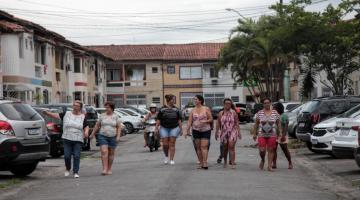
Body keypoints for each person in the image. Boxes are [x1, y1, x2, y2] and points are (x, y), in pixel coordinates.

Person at [43, 100, 89, 178]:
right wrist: (48, 113)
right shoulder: (67, 114)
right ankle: (68, 168)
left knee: (77, 156)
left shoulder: (83, 116)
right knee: (67, 156)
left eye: (77, 106)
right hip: (67, 138)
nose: (75, 107)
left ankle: (75, 172)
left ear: (80, 108)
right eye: (74, 105)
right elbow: (56, 115)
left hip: (78, 139)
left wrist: (86, 132)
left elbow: (86, 126)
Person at [90, 102, 122, 175]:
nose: (106, 109)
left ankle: (109, 169)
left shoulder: (116, 116)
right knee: (104, 152)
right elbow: (97, 125)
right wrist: (92, 134)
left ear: (112, 108)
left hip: (112, 136)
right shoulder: (102, 116)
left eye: (108, 107)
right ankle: (104, 169)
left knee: (111, 153)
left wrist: (118, 136)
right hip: (102, 136)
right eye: (106, 107)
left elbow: (119, 127)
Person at [253, 98, 281, 172]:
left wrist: (280, 132)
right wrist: (254, 134)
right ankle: (263, 160)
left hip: (272, 134)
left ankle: (269, 166)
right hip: (261, 134)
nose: (267, 104)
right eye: (265, 103)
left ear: (270, 103)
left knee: (271, 150)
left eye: (268, 103)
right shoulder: (259, 113)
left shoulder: (275, 112)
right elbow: (256, 124)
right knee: (262, 150)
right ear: (263, 104)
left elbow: (278, 123)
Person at [185, 95, 213, 169]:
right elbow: (189, 121)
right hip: (196, 130)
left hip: (206, 130)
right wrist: (186, 130)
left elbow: (211, 119)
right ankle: (200, 163)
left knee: (204, 146)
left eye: (196, 99)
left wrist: (205, 121)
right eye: (194, 99)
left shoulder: (206, 108)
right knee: (198, 147)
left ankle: (205, 163)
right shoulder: (193, 110)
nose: (195, 101)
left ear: (200, 100)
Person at [156, 94, 182, 165]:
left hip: (174, 128)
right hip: (164, 128)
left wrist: (181, 129)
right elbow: (158, 119)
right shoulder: (162, 109)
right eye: (173, 99)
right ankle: (166, 156)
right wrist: (156, 128)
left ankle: (171, 159)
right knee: (165, 144)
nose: (174, 101)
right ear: (169, 100)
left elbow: (179, 120)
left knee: (172, 143)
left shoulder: (176, 109)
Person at [215, 98, 241, 169]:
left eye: (229, 104)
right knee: (225, 148)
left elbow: (237, 122)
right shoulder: (221, 113)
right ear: (224, 104)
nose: (227, 105)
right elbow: (218, 123)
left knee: (231, 146)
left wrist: (239, 132)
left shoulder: (234, 113)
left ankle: (232, 163)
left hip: (233, 131)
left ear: (231, 104)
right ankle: (225, 162)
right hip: (224, 132)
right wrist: (216, 132)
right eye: (226, 103)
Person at [272, 102, 293, 169]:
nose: (273, 109)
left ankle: (290, 163)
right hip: (275, 135)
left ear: (278, 108)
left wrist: (283, 136)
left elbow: (286, 127)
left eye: (275, 107)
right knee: (274, 149)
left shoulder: (284, 116)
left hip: (282, 135)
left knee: (285, 149)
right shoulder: (275, 115)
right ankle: (274, 164)